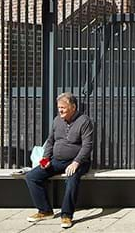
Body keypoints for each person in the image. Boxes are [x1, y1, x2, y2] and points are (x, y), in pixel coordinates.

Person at [26, 93, 95, 229]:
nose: (60, 110)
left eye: (63, 107)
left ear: (73, 107)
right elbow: (50, 141)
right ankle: (45, 210)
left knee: (72, 178)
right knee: (32, 176)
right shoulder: (57, 120)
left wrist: (76, 162)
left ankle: (66, 215)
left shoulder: (84, 121)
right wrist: (45, 159)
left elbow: (87, 145)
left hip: (78, 162)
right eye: (59, 107)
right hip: (57, 160)